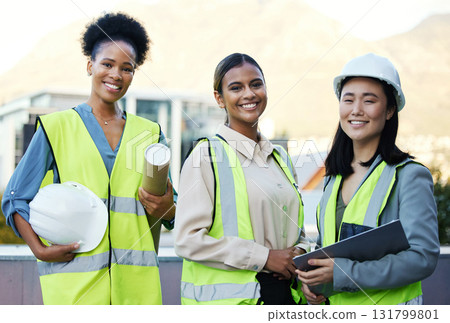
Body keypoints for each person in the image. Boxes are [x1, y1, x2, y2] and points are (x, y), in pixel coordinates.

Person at [1, 12, 176, 305]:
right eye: (107, 64)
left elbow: (171, 211)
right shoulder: (56, 127)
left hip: (137, 294)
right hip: (74, 292)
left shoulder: (150, 134)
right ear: (89, 65)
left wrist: (169, 209)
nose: (116, 75)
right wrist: (40, 250)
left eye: (127, 68)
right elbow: (15, 198)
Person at [296, 53, 440, 305]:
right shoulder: (332, 179)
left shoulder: (409, 176)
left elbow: (422, 258)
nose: (356, 110)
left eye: (369, 100)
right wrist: (314, 283)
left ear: (390, 110)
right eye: (348, 100)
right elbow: (327, 247)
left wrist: (342, 273)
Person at [174, 53, 309, 305]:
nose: (249, 94)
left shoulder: (280, 158)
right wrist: (264, 257)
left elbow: (295, 230)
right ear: (219, 98)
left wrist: (300, 251)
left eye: (256, 84)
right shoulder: (206, 155)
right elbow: (187, 240)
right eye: (236, 88)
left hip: (286, 296)